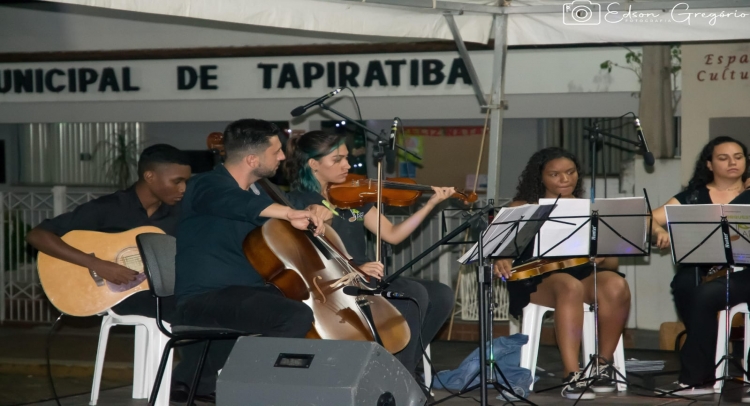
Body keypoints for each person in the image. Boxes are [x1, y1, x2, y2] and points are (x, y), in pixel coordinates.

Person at [26, 144, 205, 402]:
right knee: (189, 307)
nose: (183, 189)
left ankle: (193, 381)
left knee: (210, 304)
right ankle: (188, 382)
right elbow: (38, 235)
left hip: (157, 291)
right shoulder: (109, 207)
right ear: (150, 176)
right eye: (177, 181)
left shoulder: (179, 214)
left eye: (186, 182)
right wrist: (98, 264)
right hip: (115, 295)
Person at [282, 131, 455, 383]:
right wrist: (355, 265)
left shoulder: (353, 196)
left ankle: (397, 367)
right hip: (338, 281)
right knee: (412, 293)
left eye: (347, 158)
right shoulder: (299, 202)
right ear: (313, 164)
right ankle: (400, 379)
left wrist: (429, 205)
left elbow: (393, 235)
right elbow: (313, 246)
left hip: (367, 276)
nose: (348, 165)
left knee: (441, 295)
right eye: (337, 159)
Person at [173, 119, 327, 397]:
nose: (283, 156)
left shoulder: (262, 191)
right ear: (252, 159)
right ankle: (250, 392)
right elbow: (236, 203)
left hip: (249, 295)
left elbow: (286, 230)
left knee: (318, 313)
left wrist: (315, 209)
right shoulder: (206, 185)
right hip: (203, 299)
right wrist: (289, 213)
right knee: (293, 316)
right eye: (277, 151)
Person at [492, 147, 630, 400]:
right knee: (569, 286)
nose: (564, 179)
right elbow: (500, 252)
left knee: (615, 285)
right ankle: (572, 374)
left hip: (582, 275)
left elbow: (611, 266)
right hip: (535, 280)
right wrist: (502, 257)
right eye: (555, 174)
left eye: (570, 172)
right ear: (540, 178)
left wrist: (603, 255)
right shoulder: (522, 207)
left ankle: (600, 366)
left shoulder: (590, 210)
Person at [651, 136, 750, 397]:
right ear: (709, 164)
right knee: (689, 286)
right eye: (723, 157)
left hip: (746, 273)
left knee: (704, 293)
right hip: (704, 269)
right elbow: (649, 218)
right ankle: (700, 376)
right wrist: (659, 231)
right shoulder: (693, 196)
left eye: (738, 157)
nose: (732, 162)